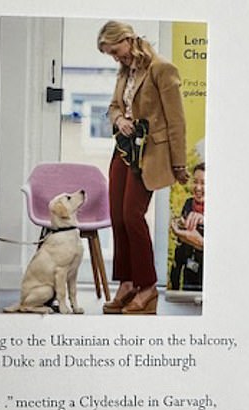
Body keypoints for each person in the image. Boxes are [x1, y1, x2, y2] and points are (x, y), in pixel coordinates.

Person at [97, 21, 189, 315]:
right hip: (123, 151)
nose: (115, 58)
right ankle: (127, 282)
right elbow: (113, 106)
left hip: (149, 154)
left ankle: (147, 287)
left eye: (116, 50)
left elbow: (176, 121)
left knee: (131, 216)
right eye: (110, 55)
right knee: (117, 217)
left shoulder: (163, 69)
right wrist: (118, 120)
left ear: (127, 39)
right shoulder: (125, 71)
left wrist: (179, 163)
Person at [170, 163, 205, 291]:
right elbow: (179, 248)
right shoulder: (188, 204)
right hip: (189, 276)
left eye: (204, 183)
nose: (198, 188)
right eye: (195, 182)